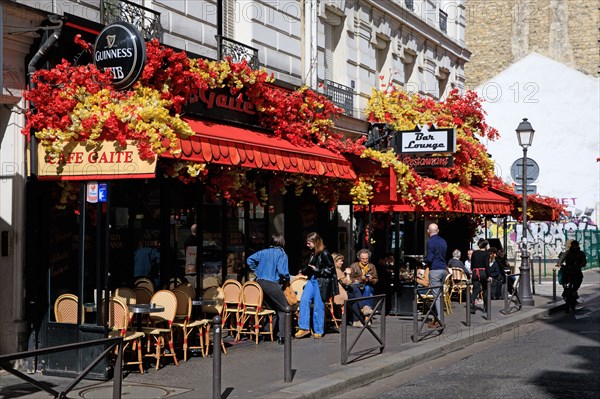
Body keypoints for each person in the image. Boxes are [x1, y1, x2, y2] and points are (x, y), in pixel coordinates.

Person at [246, 233, 290, 344]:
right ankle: (283, 336)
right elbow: (283, 272)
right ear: (282, 242)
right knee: (285, 309)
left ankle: (267, 332)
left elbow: (249, 260)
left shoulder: (263, 252)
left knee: (272, 309)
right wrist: (287, 279)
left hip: (259, 283)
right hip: (271, 284)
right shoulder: (281, 254)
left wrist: (256, 271)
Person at [295, 232, 337, 339]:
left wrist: (318, 270)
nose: (307, 245)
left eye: (309, 243)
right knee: (304, 300)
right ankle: (304, 328)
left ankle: (318, 329)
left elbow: (331, 270)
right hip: (312, 279)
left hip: (321, 281)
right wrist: (303, 271)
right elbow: (311, 267)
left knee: (319, 305)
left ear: (315, 242)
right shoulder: (313, 253)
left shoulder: (325, 253)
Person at [423, 223, 447, 328]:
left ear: (428, 231)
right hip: (443, 269)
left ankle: (439, 320)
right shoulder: (443, 241)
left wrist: (423, 260)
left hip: (435, 270)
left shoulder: (430, 242)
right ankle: (437, 317)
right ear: (437, 231)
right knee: (440, 295)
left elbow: (430, 258)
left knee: (436, 296)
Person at [333, 253, 365, 327]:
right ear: (335, 261)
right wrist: (348, 274)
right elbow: (347, 283)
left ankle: (360, 313)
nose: (342, 262)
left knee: (354, 292)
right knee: (354, 297)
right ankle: (358, 316)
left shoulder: (333, 270)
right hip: (338, 295)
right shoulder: (337, 270)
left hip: (333, 294)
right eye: (340, 261)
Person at [348, 249, 379, 316]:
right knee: (370, 295)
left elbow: (376, 279)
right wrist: (359, 279)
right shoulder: (354, 266)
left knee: (367, 288)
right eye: (363, 259)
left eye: (366, 259)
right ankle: (366, 311)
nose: (365, 260)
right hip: (358, 287)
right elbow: (350, 278)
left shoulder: (372, 266)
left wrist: (370, 279)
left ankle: (364, 309)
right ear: (359, 258)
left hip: (369, 286)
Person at [559, 240, 587, 312]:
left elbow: (584, 261)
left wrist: (581, 265)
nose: (574, 246)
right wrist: (559, 263)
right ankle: (566, 289)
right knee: (564, 280)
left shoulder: (580, 253)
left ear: (577, 245)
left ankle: (574, 291)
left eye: (575, 245)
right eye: (573, 245)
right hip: (568, 270)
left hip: (576, 270)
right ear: (572, 245)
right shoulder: (568, 252)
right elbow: (562, 257)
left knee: (579, 279)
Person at [470, 238, 492, 314]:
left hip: (475, 272)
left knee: (475, 290)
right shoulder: (486, 253)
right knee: (485, 290)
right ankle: (486, 307)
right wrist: (489, 275)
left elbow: (472, 265)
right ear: (485, 246)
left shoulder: (474, 253)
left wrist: (473, 271)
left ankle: (472, 304)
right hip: (483, 272)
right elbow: (487, 265)